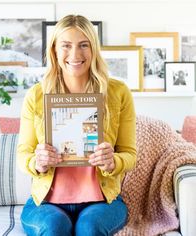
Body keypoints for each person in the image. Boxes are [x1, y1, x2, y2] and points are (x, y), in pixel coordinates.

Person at [17, 14, 136, 236]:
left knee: (88, 228)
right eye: (66, 46)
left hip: (102, 201)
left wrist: (113, 161)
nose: (75, 54)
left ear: (94, 50)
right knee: (54, 227)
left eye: (83, 45)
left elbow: (129, 154)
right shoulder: (37, 95)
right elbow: (22, 154)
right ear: (54, 50)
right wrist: (38, 162)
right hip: (47, 203)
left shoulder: (118, 93)